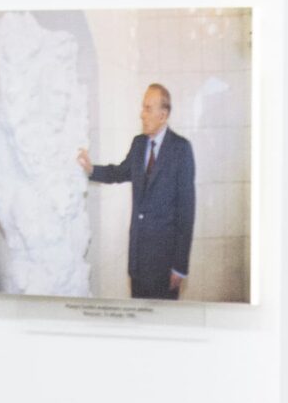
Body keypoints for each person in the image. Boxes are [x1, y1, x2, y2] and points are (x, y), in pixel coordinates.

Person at [76, 83, 197, 300]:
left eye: (148, 109)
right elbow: (119, 172)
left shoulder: (181, 149)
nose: (142, 114)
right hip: (138, 261)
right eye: (143, 108)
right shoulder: (139, 143)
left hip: (165, 263)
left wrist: (180, 267)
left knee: (164, 319)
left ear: (163, 115)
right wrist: (91, 169)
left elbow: (186, 212)